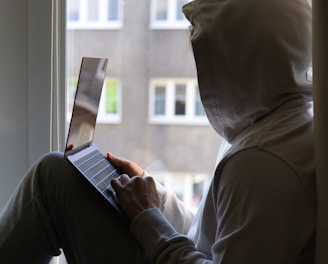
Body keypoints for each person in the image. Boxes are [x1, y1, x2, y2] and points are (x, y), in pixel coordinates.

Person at [0, 0, 315, 263]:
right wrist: (157, 201)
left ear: (240, 56)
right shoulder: (274, 126)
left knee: (52, 180)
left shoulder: (262, 162)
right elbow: (211, 239)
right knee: (61, 174)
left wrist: (148, 219)